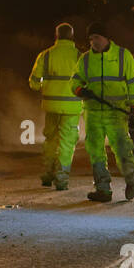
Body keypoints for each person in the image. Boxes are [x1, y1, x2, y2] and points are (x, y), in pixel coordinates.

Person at [71, 21, 134, 202]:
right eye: (90, 39)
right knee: (95, 150)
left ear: (105, 38)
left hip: (116, 113)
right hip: (93, 112)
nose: (93, 42)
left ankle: (131, 178)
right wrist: (79, 90)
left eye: (96, 38)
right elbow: (75, 80)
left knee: (121, 148)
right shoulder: (85, 59)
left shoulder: (123, 56)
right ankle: (103, 189)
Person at [28, 22, 82, 190]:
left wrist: (45, 85)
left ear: (56, 36)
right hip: (72, 107)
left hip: (51, 106)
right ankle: (62, 179)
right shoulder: (80, 56)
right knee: (67, 143)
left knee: (50, 139)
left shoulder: (45, 55)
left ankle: (47, 174)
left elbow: (34, 83)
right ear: (72, 37)